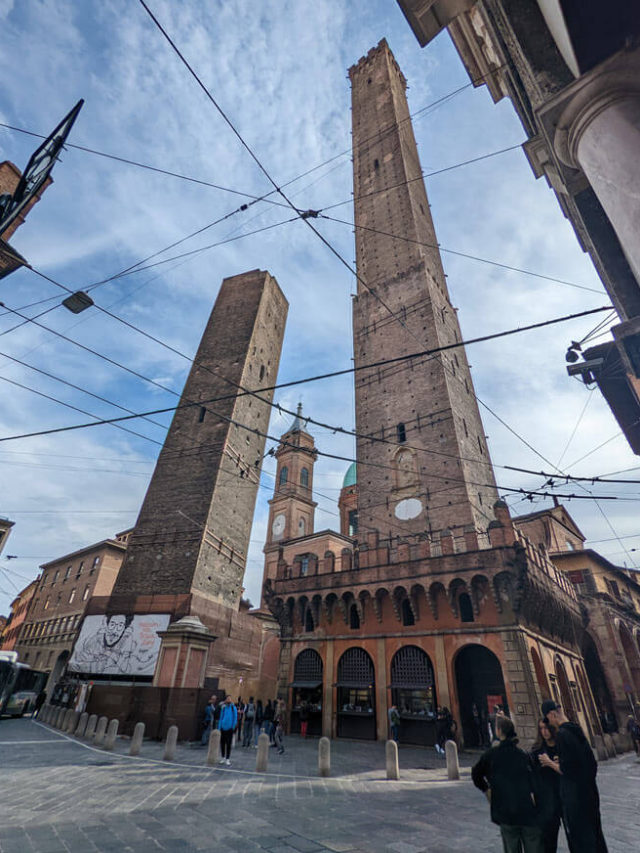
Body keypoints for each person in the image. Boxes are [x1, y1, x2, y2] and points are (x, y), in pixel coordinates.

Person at [540, 700, 608, 853]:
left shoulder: (562, 735)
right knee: (595, 836)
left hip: (575, 798)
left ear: (552, 714)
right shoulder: (577, 730)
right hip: (589, 793)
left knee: (581, 841)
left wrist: (551, 763)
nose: (549, 723)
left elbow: (568, 771)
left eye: (548, 719)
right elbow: (590, 764)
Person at [472, 715, 544, 853]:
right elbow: (535, 781)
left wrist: (486, 789)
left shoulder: (491, 755)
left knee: (511, 848)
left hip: (505, 812)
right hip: (527, 811)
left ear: (499, 731)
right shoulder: (523, 755)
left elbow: (476, 774)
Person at [530, 719, 563, 853]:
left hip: (563, 795)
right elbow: (531, 775)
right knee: (549, 838)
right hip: (546, 799)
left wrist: (552, 763)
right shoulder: (537, 751)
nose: (544, 732)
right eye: (541, 729)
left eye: (546, 728)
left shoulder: (561, 748)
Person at [217, 695, 238, 766]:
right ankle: (223, 757)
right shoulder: (223, 708)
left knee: (228, 744)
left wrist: (233, 726)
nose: (229, 700)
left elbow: (235, 717)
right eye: (227, 698)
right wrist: (219, 727)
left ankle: (227, 758)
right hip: (223, 727)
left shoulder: (233, 708)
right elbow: (221, 717)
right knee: (222, 743)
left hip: (230, 728)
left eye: (230, 698)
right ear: (225, 700)